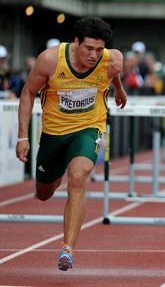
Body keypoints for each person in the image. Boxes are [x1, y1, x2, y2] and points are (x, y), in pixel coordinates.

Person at [15, 16, 127, 271]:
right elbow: (28, 93)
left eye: (99, 50)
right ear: (75, 42)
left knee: (78, 178)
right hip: (54, 134)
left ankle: (67, 249)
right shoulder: (50, 60)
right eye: (88, 48)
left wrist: (118, 90)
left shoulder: (113, 59)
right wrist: (23, 136)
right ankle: (55, 175)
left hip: (89, 128)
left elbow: (114, 72)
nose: (93, 55)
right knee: (44, 193)